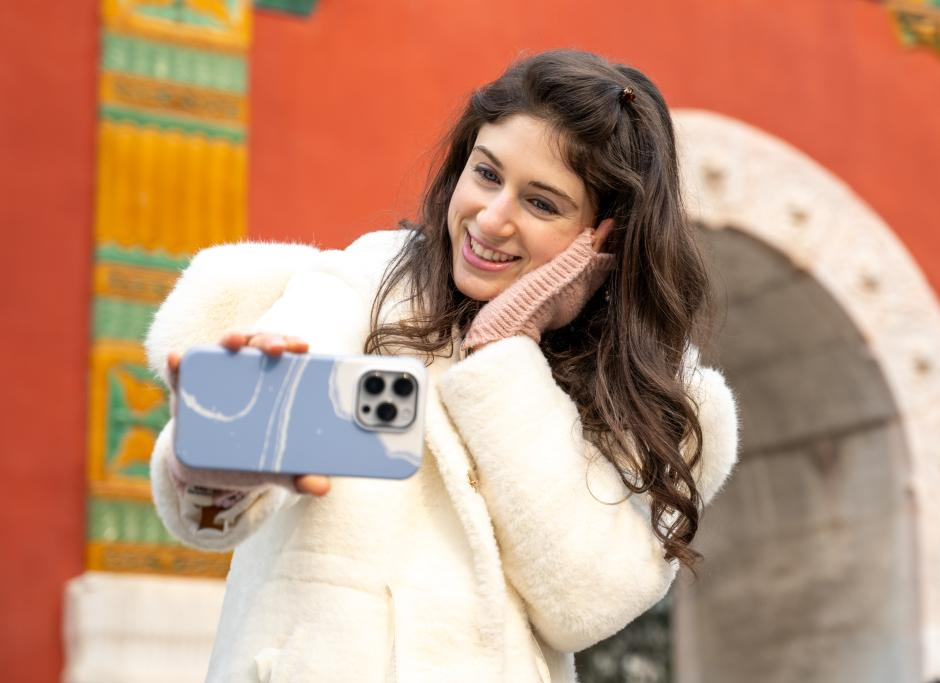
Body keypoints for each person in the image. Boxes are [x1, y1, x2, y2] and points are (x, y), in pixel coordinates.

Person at [147, 49, 739, 683]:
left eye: (541, 204)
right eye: (486, 174)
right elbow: (212, 508)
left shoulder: (636, 402)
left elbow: (584, 604)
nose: (491, 218)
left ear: (603, 240)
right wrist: (213, 465)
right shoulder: (364, 281)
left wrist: (505, 351)